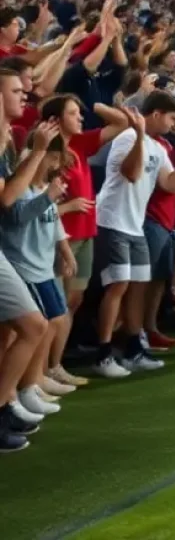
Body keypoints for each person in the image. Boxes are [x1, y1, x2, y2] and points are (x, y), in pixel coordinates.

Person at [92, 93, 175, 379]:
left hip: (135, 224)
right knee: (118, 286)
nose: (173, 124)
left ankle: (133, 348)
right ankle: (103, 353)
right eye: (171, 118)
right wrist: (138, 135)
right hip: (112, 220)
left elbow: (170, 184)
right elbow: (132, 172)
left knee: (137, 286)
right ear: (155, 114)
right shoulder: (128, 138)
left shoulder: (159, 147)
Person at [37, 92, 129, 387]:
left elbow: (122, 122)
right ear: (55, 120)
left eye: (80, 112)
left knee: (72, 301)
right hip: (61, 237)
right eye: (74, 113)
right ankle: (39, 372)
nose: (81, 118)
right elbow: (34, 203)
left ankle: (55, 364)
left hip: (86, 232)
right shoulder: (46, 154)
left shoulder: (78, 145)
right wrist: (68, 207)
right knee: (54, 306)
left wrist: (98, 104)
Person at [0, 128, 75, 422]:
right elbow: (16, 217)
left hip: (42, 266)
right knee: (35, 326)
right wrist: (48, 197)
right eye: (54, 156)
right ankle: (21, 390)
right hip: (24, 265)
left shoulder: (43, 186)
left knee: (48, 322)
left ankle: (30, 385)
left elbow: (53, 222)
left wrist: (64, 252)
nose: (58, 163)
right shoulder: (22, 185)